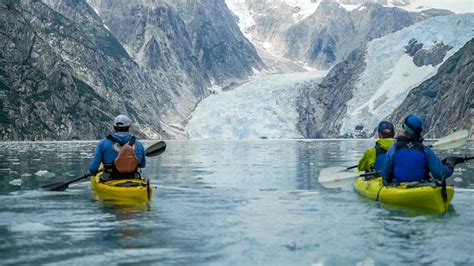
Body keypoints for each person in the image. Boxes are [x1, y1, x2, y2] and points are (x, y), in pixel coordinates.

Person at [381, 115, 456, 185]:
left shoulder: (393, 148)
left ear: (404, 128)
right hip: (420, 188)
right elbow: (440, 174)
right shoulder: (425, 150)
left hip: (398, 189)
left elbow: (385, 174)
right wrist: (450, 164)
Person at [88, 114, 146, 181]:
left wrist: (92, 173)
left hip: (110, 180)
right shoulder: (138, 144)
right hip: (134, 180)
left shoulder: (103, 143)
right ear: (128, 127)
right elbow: (142, 165)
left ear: (114, 127)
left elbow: (93, 169)